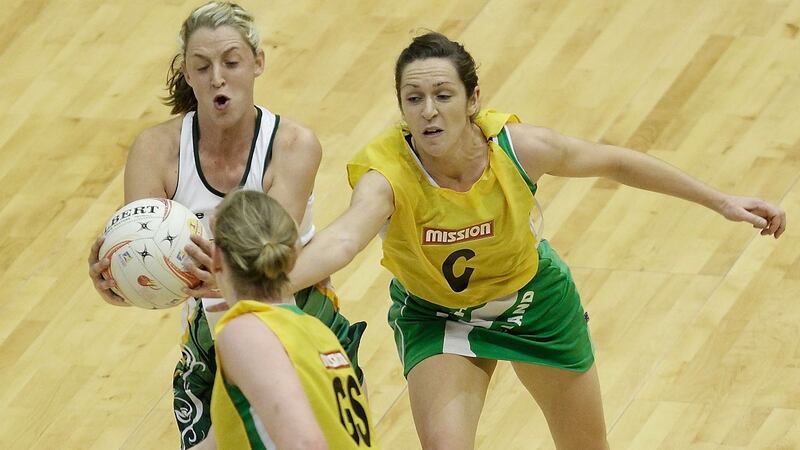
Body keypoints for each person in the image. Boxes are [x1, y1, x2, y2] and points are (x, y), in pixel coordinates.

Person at [285, 32, 787, 450]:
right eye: (414, 99)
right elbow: (343, 240)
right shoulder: (387, 174)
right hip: (438, 315)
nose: (429, 112)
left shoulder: (518, 148)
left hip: (533, 304)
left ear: (473, 99)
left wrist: (721, 201)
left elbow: (616, 162)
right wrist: (265, 287)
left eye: (443, 95)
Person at [86, 3, 365, 449]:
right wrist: (119, 278)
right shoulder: (155, 150)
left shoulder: (293, 145)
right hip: (212, 337)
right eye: (202, 66)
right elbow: (143, 261)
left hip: (299, 320)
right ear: (188, 74)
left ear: (258, 63)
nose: (217, 77)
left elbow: (264, 262)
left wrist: (215, 275)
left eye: (231, 62)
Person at [208, 189, 377, 450]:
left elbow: (306, 444)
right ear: (293, 253)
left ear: (216, 258)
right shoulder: (317, 330)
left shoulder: (246, 332)